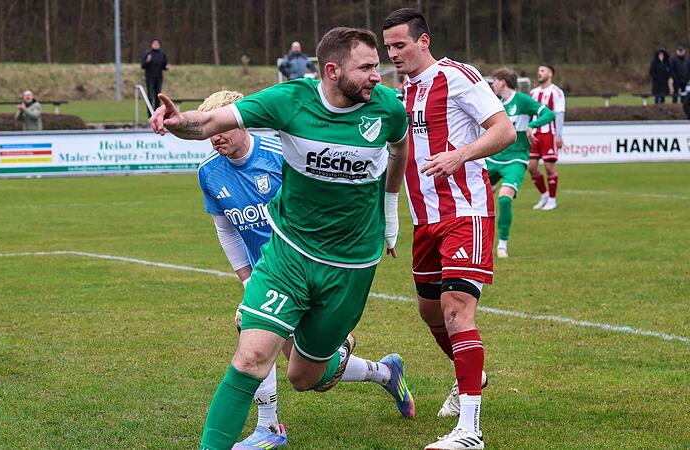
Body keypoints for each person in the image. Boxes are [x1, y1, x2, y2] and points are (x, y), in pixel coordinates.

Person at [153, 27, 413, 450]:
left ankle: (384, 372)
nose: (376, 76)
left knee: (304, 377)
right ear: (332, 71)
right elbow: (209, 122)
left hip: (350, 266)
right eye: (366, 67)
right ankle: (258, 432)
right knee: (250, 357)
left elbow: (401, 151)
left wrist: (389, 211)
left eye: (377, 67)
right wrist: (179, 122)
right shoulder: (291, 99)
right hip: (288, 254)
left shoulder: (388, 109)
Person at [383, 8, 515, 449]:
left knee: (457, 311)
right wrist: (389, 215)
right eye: (388, 48)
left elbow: (505, 131)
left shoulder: (456, 76)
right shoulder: (402, 94)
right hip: (426, 221)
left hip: (466, 213)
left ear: (424, 41)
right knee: (430, 312)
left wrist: (460, 155)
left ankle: (469, 431)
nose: (393, 54)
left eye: (400, 45)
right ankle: (469, 379)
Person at [489, 68, 555, 258]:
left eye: (494, 81)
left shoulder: (522, 101)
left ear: (502, 82)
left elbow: (548, 114)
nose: (492, 85)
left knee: (504, 198)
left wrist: (531, 126)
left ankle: (502, 245)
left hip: (516, 160)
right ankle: (478, 240)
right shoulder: (496, 103)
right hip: (493, 158)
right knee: (472, 197)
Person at [528, 65, 565, 211]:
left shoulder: (556, 92)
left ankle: (552, 199)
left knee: (549, 167)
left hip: (549, 134)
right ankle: (544, 194)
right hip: (534, 135)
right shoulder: (533, 93)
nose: (539, 73)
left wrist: (559, 136)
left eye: (542, 71)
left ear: (550, 74)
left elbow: (559, 114)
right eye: (538, 71)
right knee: (531, 167)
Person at [141, 38, 170, 108]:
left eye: (157, 44)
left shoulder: (162, 54)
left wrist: (166, 67)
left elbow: (164, 66)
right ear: (152, 45)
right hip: (149, 78)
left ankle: (157, 112)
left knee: (158, 96)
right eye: (154, 44)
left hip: (159, 78)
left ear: (159, 45)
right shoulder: (148, 53)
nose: (156, 45)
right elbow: (142, 66)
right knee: (150, 96)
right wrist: (147, 61)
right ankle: (150, 114)